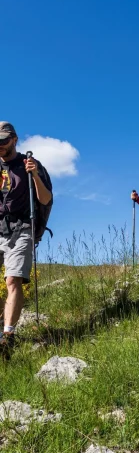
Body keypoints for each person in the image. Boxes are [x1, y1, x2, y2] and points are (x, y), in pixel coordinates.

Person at [0, 122, 52, 355]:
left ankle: (8, 336)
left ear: (14, 140)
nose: (0, 145)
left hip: (22, 227)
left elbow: (44, 199)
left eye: (4, 141)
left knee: (13, 280)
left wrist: (34, 175)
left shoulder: (30, 165)